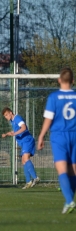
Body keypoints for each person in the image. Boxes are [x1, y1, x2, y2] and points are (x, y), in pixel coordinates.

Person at [38, 67, 76, 214]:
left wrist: (41, 135)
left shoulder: (54, 97)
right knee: (73, 172)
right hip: (75, 134)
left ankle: (69, 201)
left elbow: (49, 119)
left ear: (59, 80)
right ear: (72, 81)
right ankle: (70, 201)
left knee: (62, 169)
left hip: (59, 135)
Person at [2, 107, 40, 189]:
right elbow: (17, 131)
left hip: (27, 140)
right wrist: (8, 134)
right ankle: (28, 181)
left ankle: (35, 177)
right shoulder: (13, 121)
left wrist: (15, 133)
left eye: (6, 115)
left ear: (11, 113)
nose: (6, 117)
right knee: (23, 161)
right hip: (24, 142)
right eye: (5, 116)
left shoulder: (17, 118)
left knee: (25, 159)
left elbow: (23, 128)